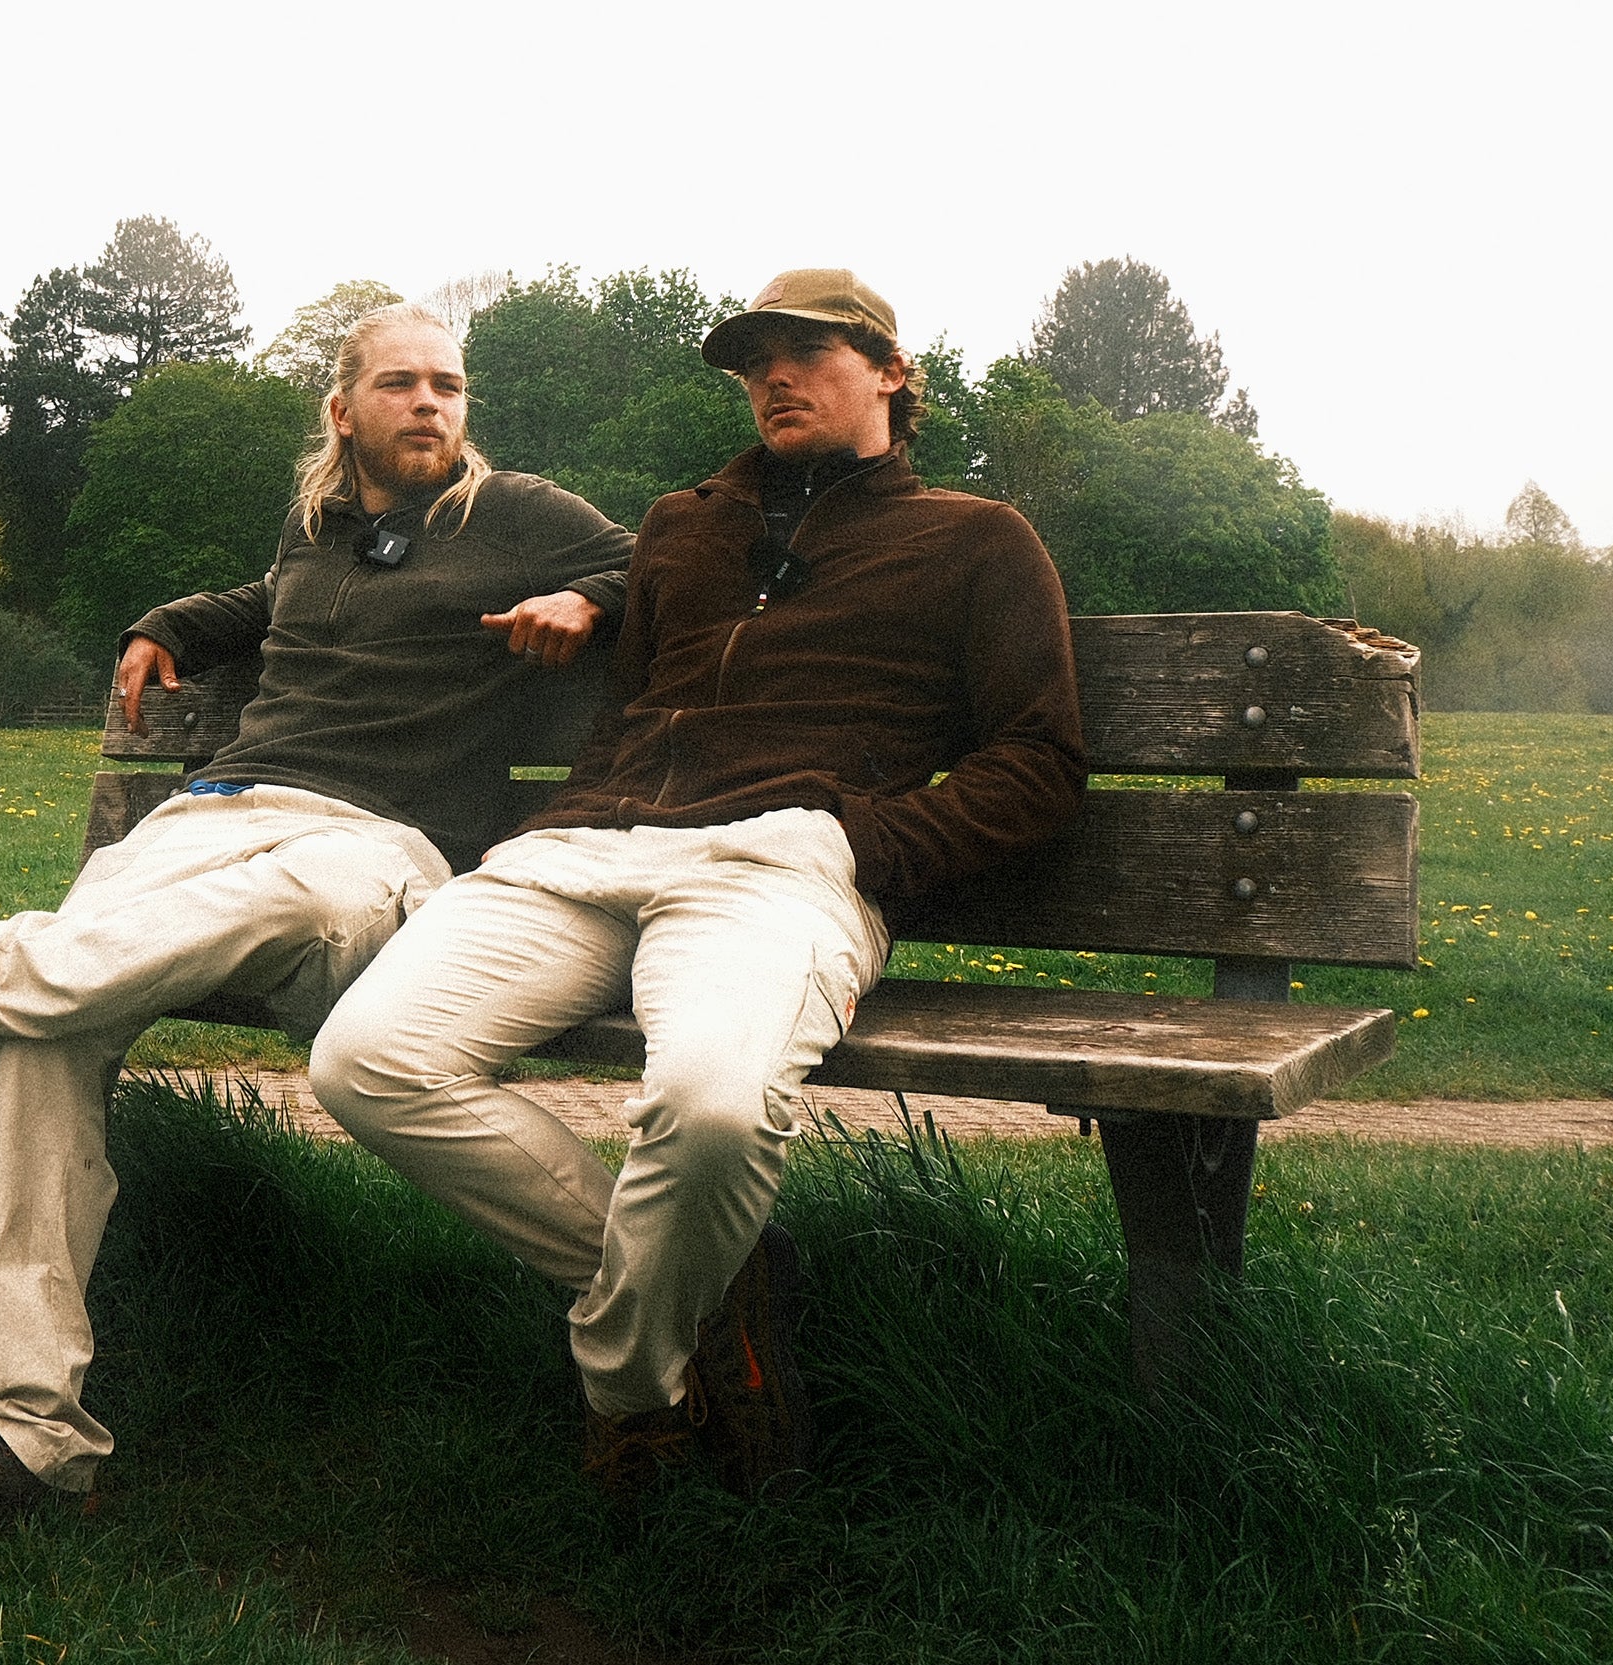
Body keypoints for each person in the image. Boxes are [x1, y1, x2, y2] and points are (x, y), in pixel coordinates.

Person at [0, 303, 632, 1523]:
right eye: (401, 383)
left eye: (448, 384)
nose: (430, 403)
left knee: (266, 902)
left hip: (374, 849)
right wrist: (164, 624)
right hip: (208, 819)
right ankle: (28, 1432)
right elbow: (273, 600)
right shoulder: (315, 527)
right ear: (343, 410)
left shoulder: (516, 513)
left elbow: (667, 567)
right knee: (53, 1033)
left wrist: (592, 601)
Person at [309, 271, 1087, 1496]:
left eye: (807, 352)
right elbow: (626, 708)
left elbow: (1039, 760)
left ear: (891, 371)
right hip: (583, 852)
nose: (772, 375)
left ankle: (630, 1391)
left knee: (713, 1111)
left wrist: (866, 845)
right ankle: (716, 1279)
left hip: (778, 866)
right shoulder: (683, 525)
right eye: (753, 359)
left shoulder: (976, 538)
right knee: (366, 1062)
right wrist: (568, 806)